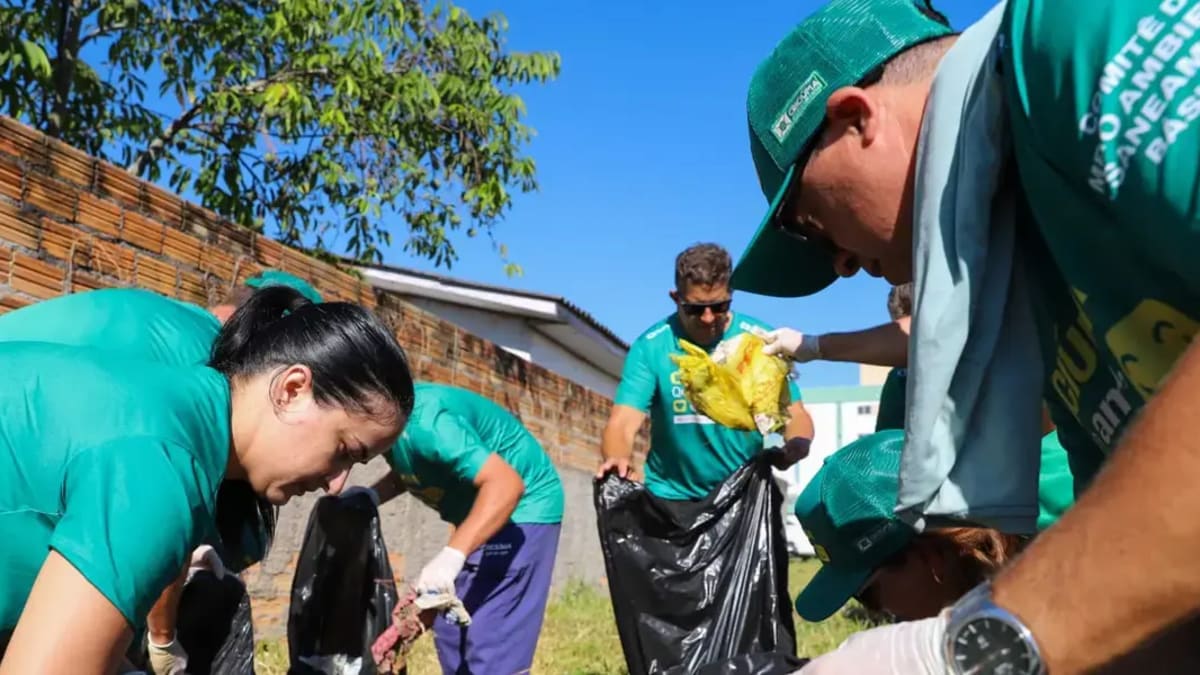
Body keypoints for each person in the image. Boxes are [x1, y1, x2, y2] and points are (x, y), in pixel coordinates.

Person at [732, 0, 1200, 671]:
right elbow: (1155, 577)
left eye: (809, 224)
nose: (838, 263)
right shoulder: (1036, 291)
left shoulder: (1071, 32)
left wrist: (975, 645)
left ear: (855, 119)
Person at [0, 286, 414, 674]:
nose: (336, 484)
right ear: (292, 390)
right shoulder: (163, 464)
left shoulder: (177, 406)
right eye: (344, 450)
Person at [354, 382, 564, 675]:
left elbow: (506, 485)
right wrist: (371, 496)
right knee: (450, 630)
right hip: (478, 507)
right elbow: (412, 465)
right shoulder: (389, 431)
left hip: (523, 506)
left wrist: (451, 556)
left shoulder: (429, 424)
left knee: (490, 638)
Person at [598, 242, 813, 495]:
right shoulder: (651, 347)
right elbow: (623, 422)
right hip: (670, 496)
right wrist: (617, 457)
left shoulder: (758, 341)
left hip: (742, 493)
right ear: (676, 299)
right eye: (695, 308)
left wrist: (797, 443)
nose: (708, 318)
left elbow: (794, 414)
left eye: (719, 306)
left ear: (731, 294)